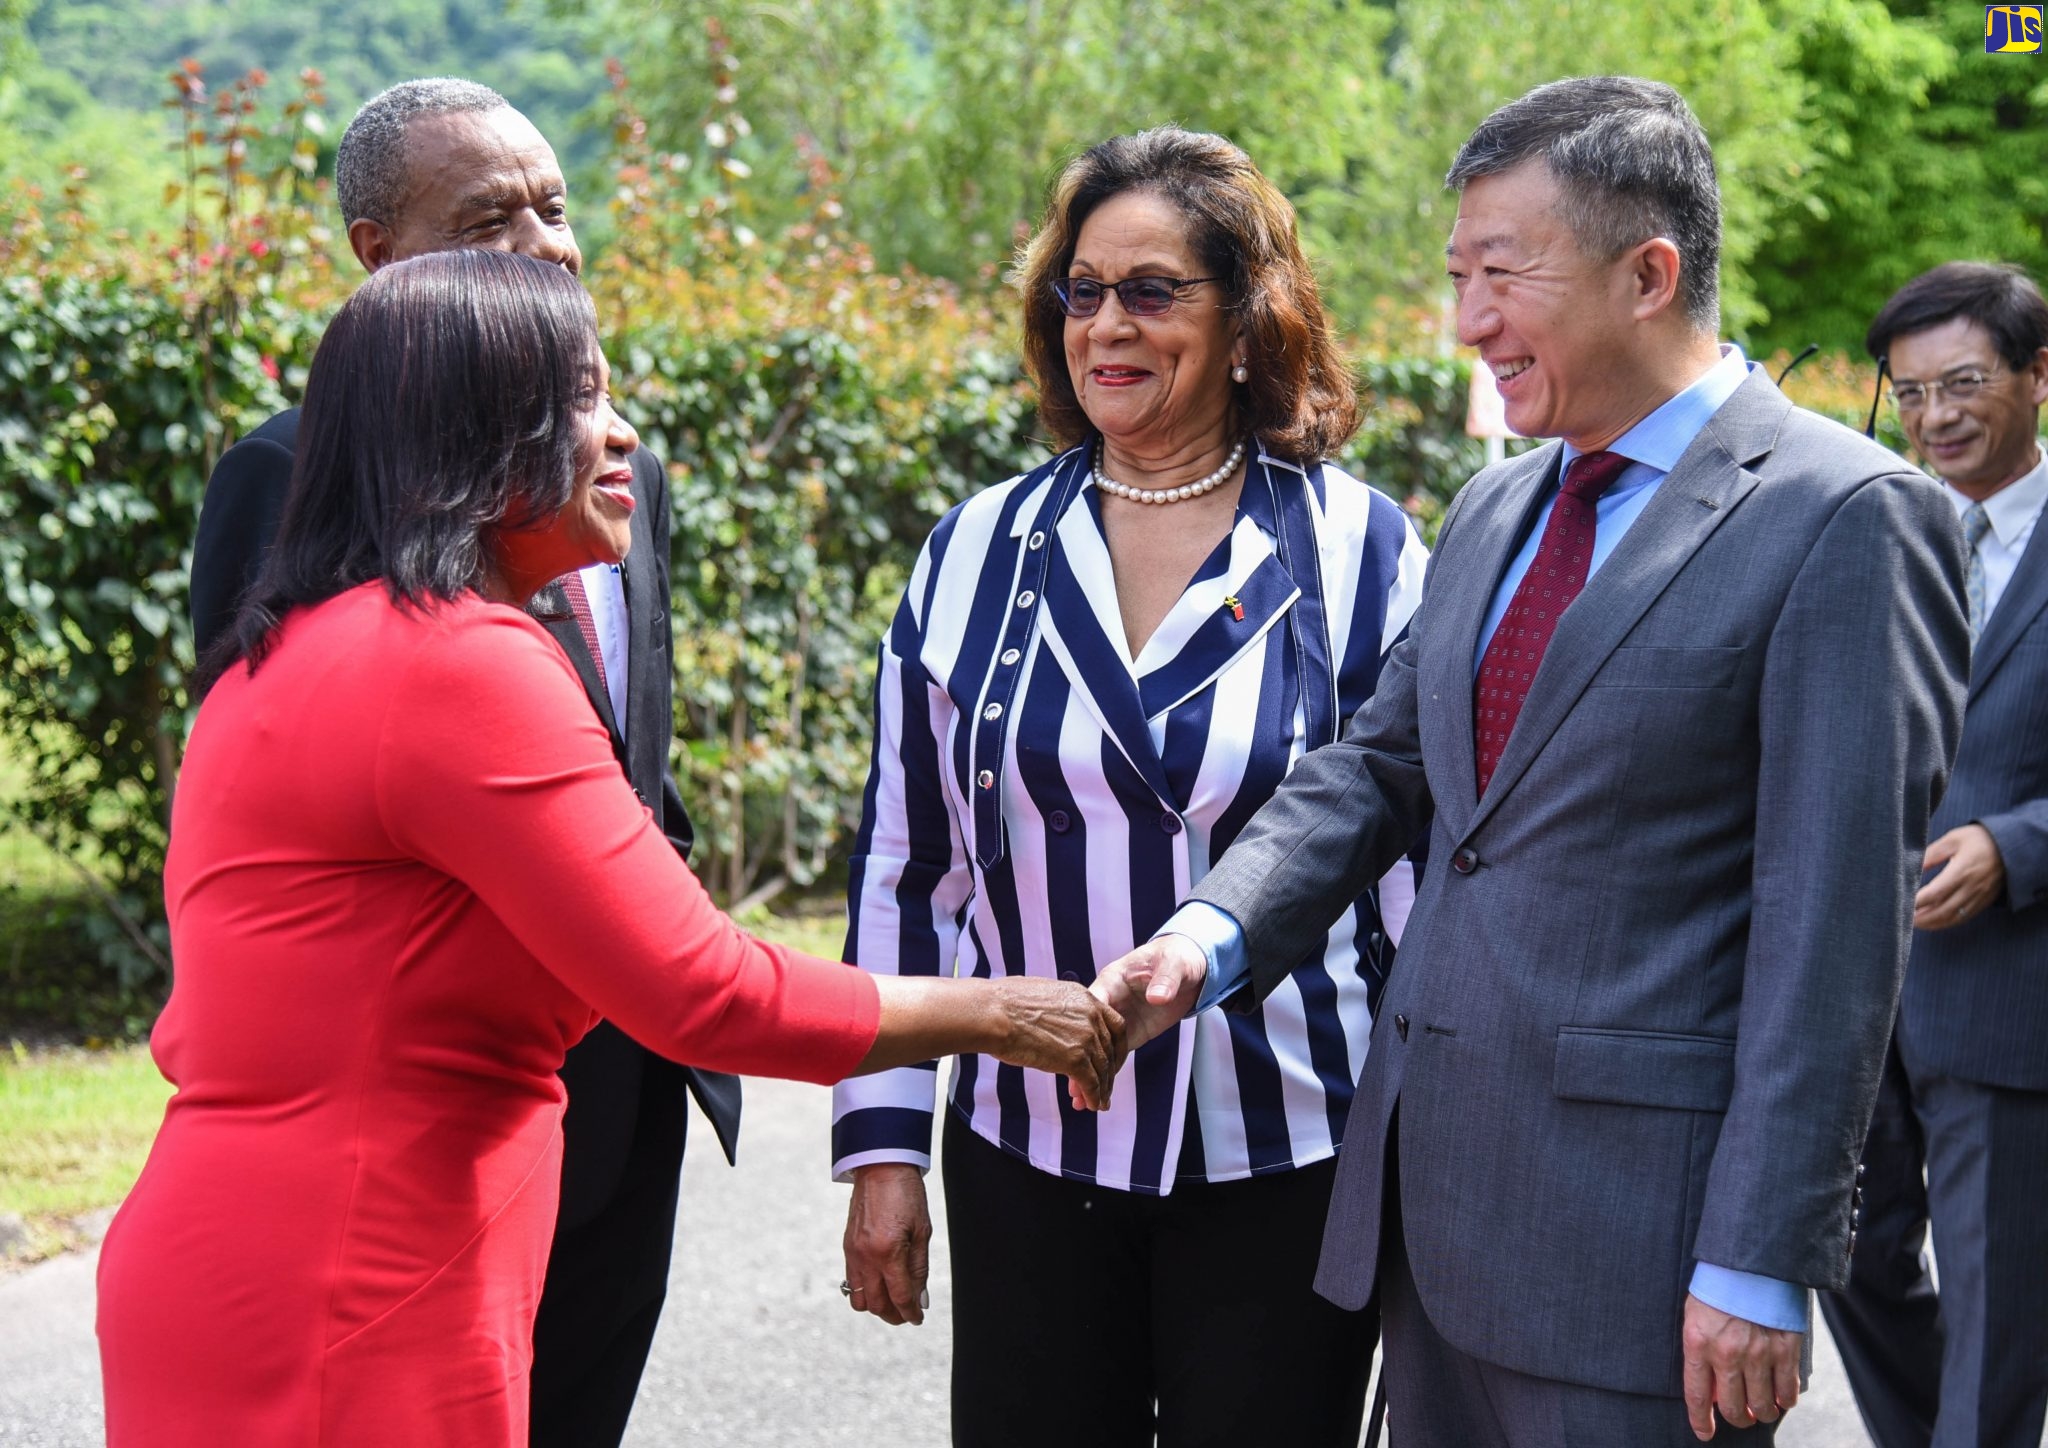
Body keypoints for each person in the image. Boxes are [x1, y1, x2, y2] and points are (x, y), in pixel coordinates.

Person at [99, 248, 1125, 1447]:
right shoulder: (455, 663)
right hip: (361, 1273)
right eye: (581, 397)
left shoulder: (297, 644)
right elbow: (704, 989)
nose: (625, 432)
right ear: (476, 431)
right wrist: (1003, 1013)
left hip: (249, 1250)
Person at [1095, 77, 1970, 1446]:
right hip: (1430, 1234)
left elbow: (1836, 933)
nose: (1467, 322)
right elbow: (1382, 765)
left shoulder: (1846, 517)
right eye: (1457, 275)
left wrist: (1759, 1258)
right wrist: (1210, 934)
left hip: (1650, 1263)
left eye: (1502, 274)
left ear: (1649, 273)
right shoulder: (1504, 499)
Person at [831, 126, 1429, 1448]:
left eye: (1152, 290)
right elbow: (907, 871)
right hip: (1029, 1154)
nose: (1107, 322)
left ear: (1243, 323)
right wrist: (882, 1148)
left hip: (1290, 1152)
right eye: (1082, 290)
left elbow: (1413, 872)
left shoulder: (1362, 550)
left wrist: (1427, 1161)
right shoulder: (975, 552)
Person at [183, 78, 731, 1446]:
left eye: (556, 205)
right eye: (492, 219)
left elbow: (629, 746)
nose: (546, 245)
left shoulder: (618, 461)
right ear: (381, 257)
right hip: (441, 1088)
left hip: (635, 1065)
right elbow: (262, 797)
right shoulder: (294, 475)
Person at [1818, 262, 2048, 1448]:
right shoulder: (1880, 528)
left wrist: (2018, 845)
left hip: (2006, 994)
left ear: (2037, 375)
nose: (1935, 416)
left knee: (1997, 1303)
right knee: (1843, 1256)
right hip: (1862, 987)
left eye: (1961, 382)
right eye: (1908, 395)